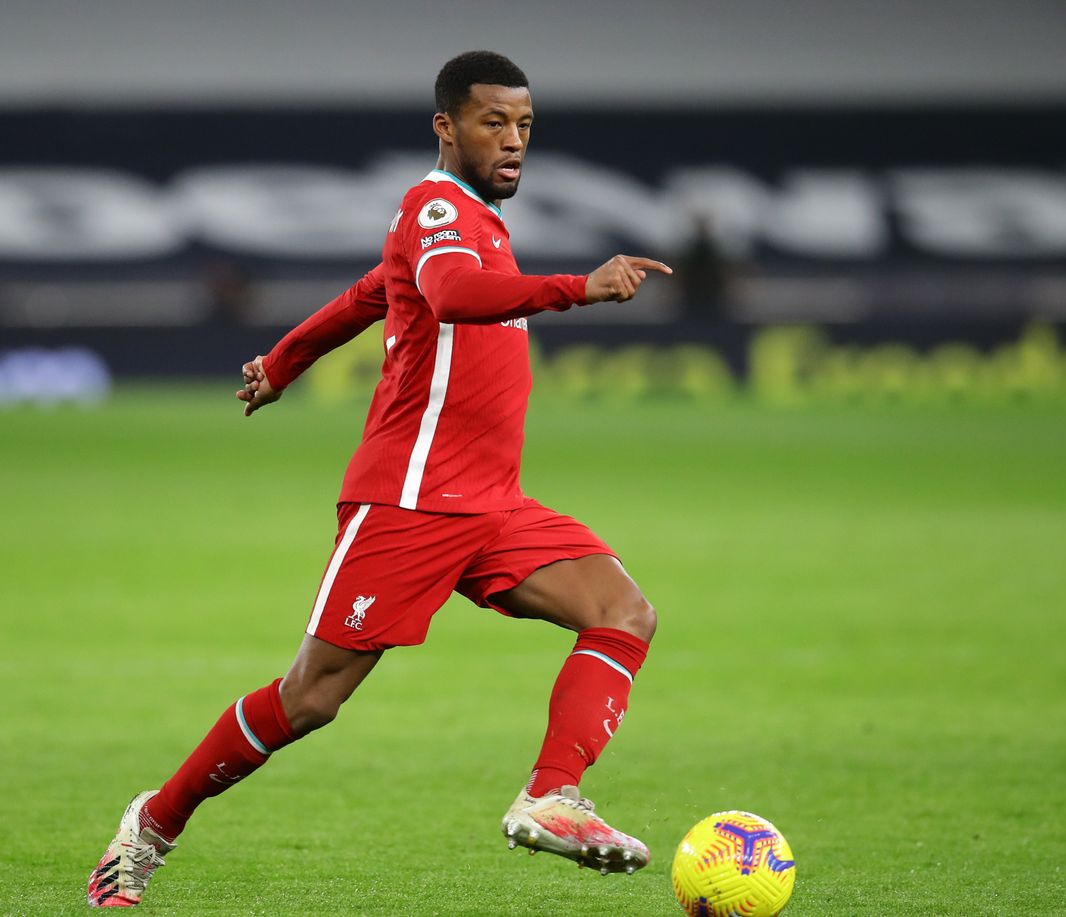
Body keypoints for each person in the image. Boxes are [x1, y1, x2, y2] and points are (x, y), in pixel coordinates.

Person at [87, 50, 672, 908]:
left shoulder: (475, 216)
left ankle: (551, 794)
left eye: (525, 127)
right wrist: (578, 287)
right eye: (493, 123)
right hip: (409, 500)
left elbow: (369, 294)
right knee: (311, 698)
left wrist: (283, 362)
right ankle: (154, 822)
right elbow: (450, 292)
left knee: (625, 613)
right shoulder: (434, 206)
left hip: (493, 501)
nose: (513, 142)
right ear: (446, 127)